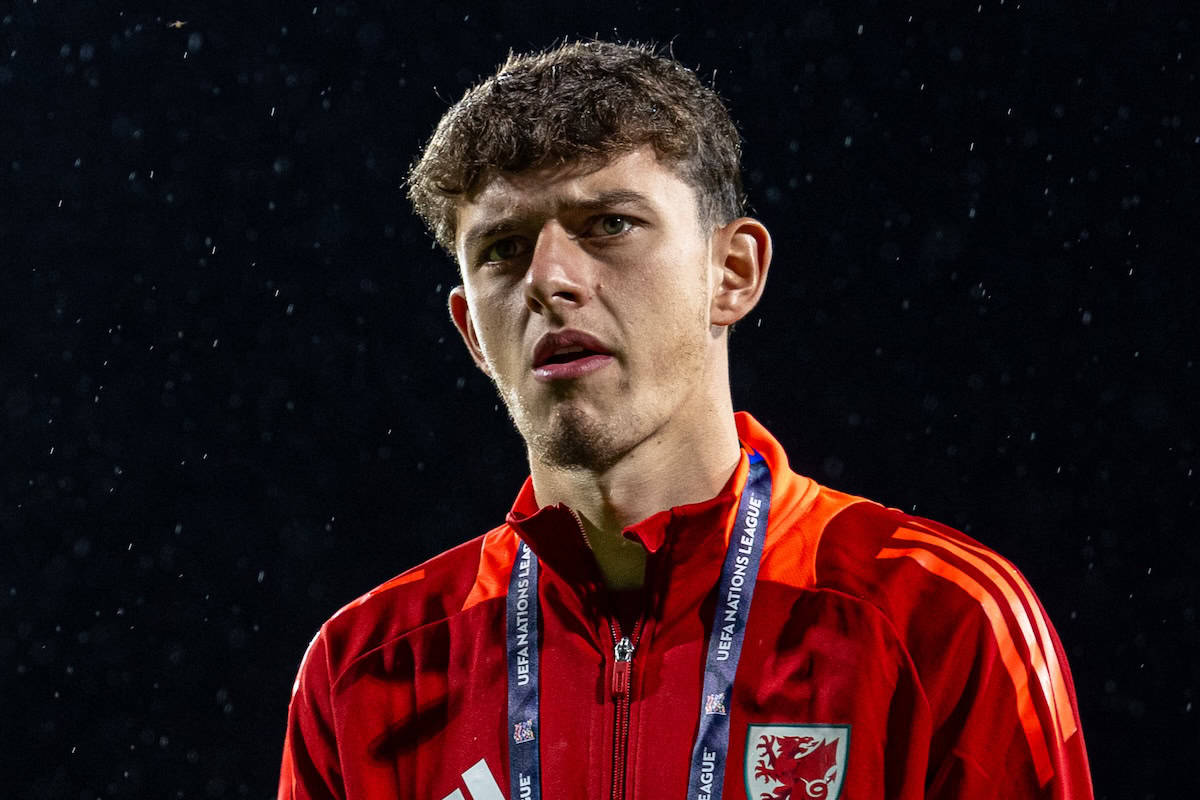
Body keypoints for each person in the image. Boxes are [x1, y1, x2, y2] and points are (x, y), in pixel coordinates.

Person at [278, 40, 1092, 800]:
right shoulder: (366, 670)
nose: (551, 280)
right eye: (503, 248)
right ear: (471, 334)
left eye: (609, 225)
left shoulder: (935, 620)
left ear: (731, 273)